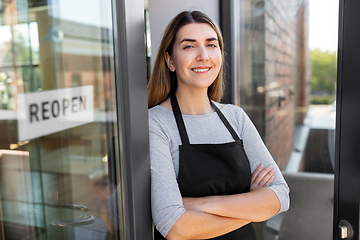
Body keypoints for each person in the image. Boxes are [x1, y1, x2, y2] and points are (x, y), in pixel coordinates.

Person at [148, 10, 290, 240]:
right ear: (170, 60)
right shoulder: (156, 123)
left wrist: (195, 204)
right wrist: (252, 206)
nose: (203, 55)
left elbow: (281, 196)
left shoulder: (236, 117)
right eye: (189, 46)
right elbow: (175, 227)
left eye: (211, 45)